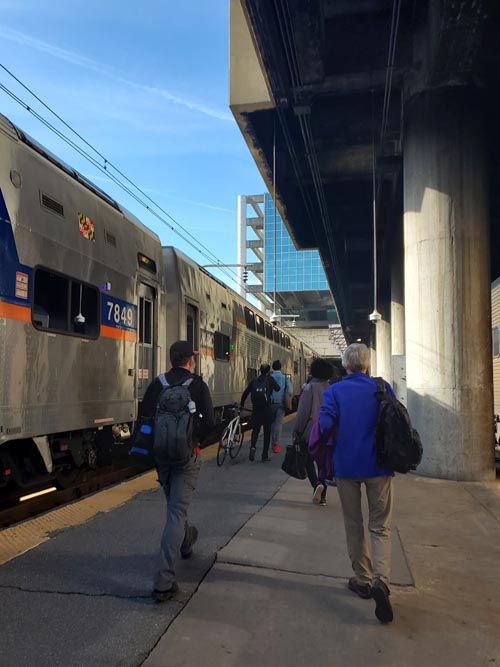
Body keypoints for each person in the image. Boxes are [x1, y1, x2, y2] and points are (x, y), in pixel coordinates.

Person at [319, 343, 395, 624]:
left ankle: (362, 579)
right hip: (380, 466)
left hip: (347, 466)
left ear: (345, 366)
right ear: (366, 365)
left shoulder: (335, 391)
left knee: (354, 524)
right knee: (380, 526)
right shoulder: (382, 387)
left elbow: (325, 425)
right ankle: (382, 581)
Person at [139, 340, 215, 602]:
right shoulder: (197, 385)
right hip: (187, 458)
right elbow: (211, 423)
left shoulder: (157, 385)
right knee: (176, 513)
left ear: (171, 359)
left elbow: (144, 421)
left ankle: (185, 542)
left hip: (163, 458)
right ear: (190, 361)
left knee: (174, 506)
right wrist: (195, 442)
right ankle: (164, 581)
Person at [292, 358, 334, 506]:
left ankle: (316, 485)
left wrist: (296, 432)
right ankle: (322, 497)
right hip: (327, 433)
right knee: (322, 465)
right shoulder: (331, 389)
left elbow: (303, 412)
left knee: (308, 462)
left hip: (310, 432)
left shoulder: (310, 388)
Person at [240, 364, 280, 462]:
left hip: (256, 410)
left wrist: (242, 405)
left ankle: (253, 446)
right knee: (267, 432)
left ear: (260, 371)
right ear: (268, 371)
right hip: (266, 410)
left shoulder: (255, 380)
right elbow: (278, 388)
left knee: (255, 430)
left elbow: (245, 393)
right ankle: (264, 455)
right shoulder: (270, 380)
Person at [270, 360, 293, 453]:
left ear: (273, 367)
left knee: (272, 423)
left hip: (271, 404)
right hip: (281, 404)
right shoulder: (285, 378)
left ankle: (272, 443)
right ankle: (276, 444)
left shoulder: (270, 377)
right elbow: (290, 391)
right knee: (278, 423)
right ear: (280, 367)